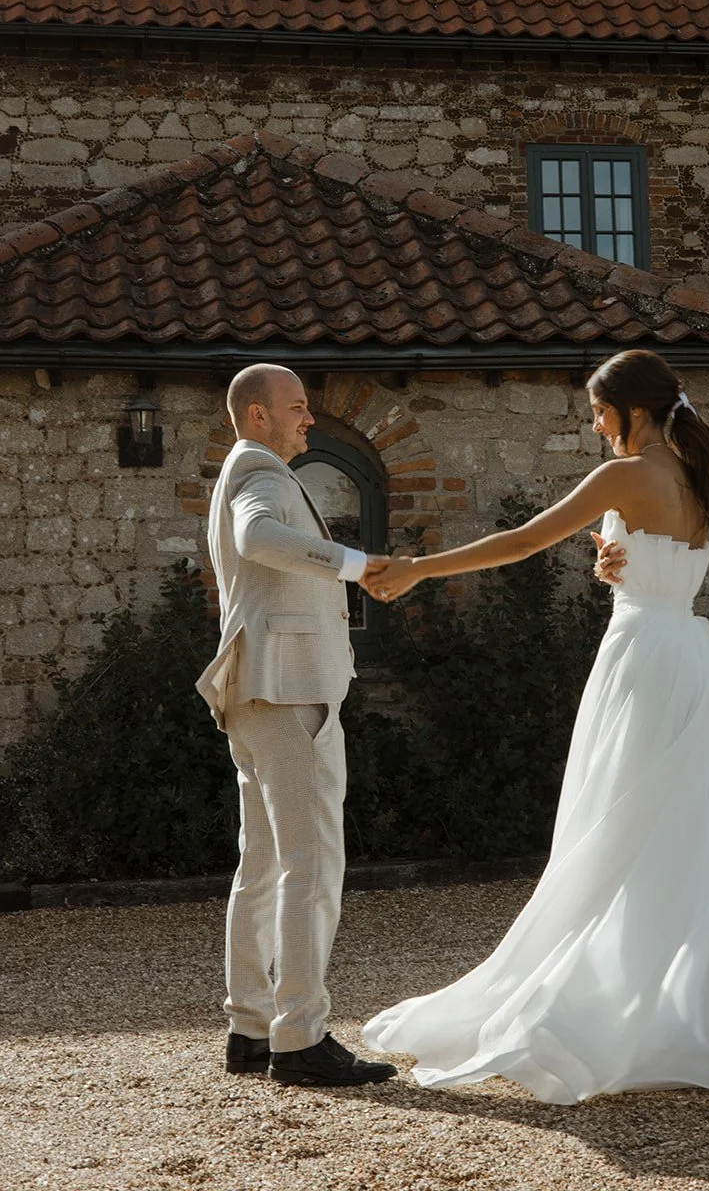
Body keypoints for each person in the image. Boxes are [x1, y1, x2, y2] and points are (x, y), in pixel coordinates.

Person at [360, 349, 709, 1103]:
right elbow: (665, 567)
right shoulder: (696, 478)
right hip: (682, 657)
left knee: (621, 826)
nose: (595, 429)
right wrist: (618, 562)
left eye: (599, 413)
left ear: (631, 411)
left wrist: (415, 568)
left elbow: (524, 540)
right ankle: (688, 992)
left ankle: (629, 1002)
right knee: (685, 825)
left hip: (640, 660)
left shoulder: (626, 474)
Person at [196, 363, 397, 1088]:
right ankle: (300, 1038)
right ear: (256, 416)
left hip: (257, 693)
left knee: (261, 865)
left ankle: (249, 1029)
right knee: (309, 866)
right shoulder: (263, 477)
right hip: (287, 693)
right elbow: (259, 539)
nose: (308, 418)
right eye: (296, 407)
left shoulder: (247, 468)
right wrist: (354, 562)